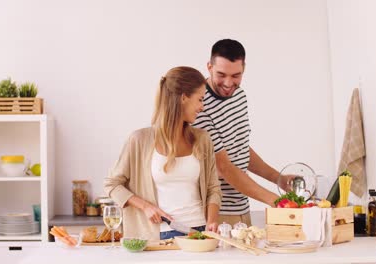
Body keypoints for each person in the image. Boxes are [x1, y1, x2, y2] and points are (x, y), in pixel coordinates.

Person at [104, 66, 221, 240]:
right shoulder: (139, 140)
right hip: (159, 234)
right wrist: (145, 206)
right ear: (183, 98)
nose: (202, 107)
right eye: (200, 100)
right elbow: (112, 185)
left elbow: (213, 188)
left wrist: (211, 222)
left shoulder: (202, 139)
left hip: (199, 232)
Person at [192, 39, 283, 226]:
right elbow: (223, 167)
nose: (228, 83)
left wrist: (279, 179)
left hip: (242, 209)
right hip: (215, 215)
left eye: (236, 76)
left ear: (244, 69)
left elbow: (240, 150)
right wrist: (275, 201)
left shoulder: (239, 96)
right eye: (221, 74)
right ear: (209, 67)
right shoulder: (199, 106)